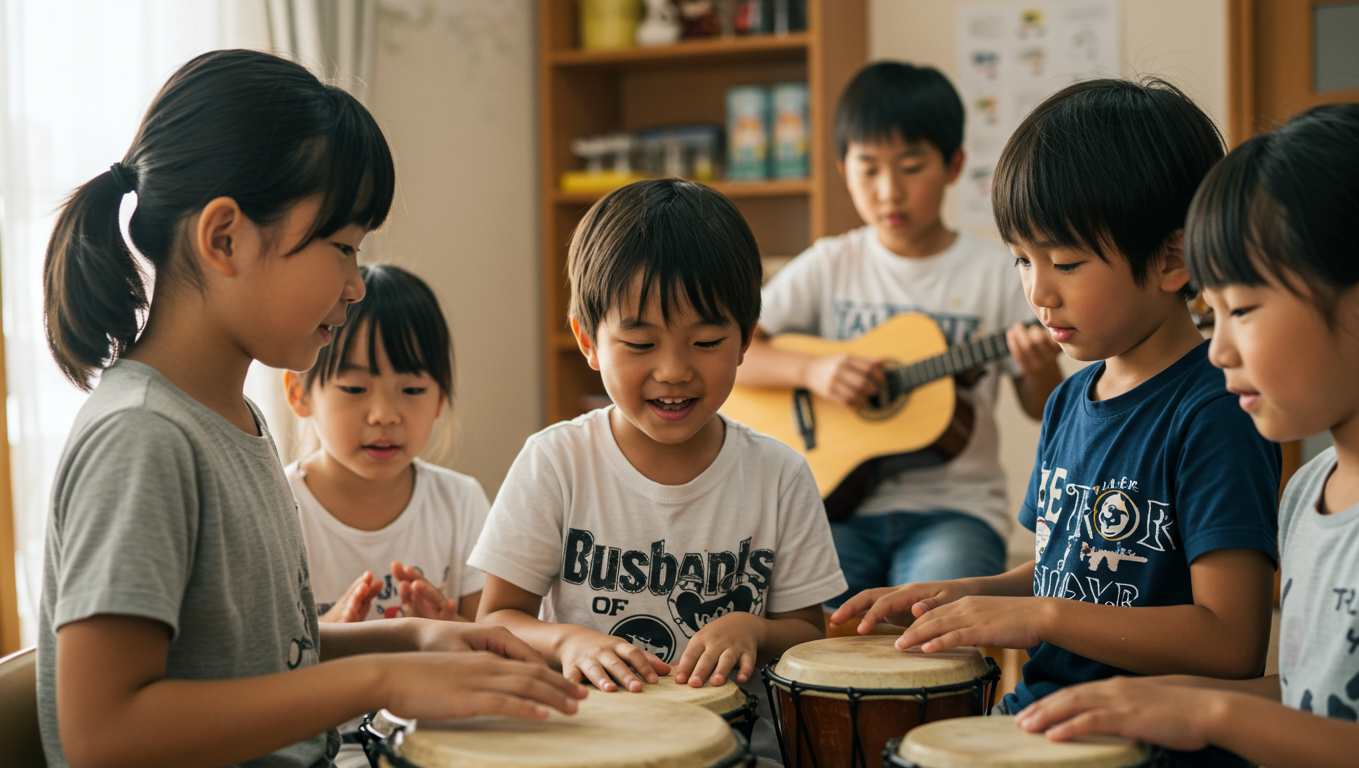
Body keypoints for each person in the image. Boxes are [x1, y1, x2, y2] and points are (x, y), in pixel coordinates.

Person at [38, 49, 583, 768]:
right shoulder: (142, 436)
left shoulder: (227, 419)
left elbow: (253, 658)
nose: (356, 285)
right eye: (343, 248)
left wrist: (413, 639)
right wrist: (383, 679)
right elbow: (105, 735)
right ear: (225, 238)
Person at [829, 78, 1283, 767]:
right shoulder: (1071, 401)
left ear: (1172, 259)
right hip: (1046, 716)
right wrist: (968, 593)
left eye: (1065, 262)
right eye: (1022, 259)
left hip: (1147, 745)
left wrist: (1040, 617)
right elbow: (1063, 570)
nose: (1038, 292)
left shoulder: (1217, 410)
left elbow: (1231, 641)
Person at [1010, 104, 1359, 767]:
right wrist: (1158, 699)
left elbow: (1234, 648)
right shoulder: (1309, 491)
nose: (1217, 351)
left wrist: (1210, 711)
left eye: (1242, 310)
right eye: (1212, 314)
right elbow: (1317, 699)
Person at [470, 178, 847, 749]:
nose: (673, 371)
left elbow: (806, 635)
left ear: (746, 341)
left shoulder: (780, 476)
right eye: (641, 344)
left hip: (735, 748)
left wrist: (752, 629)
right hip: (590, 744)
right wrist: (567, 641)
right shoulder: (555, 463)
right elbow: (497, 620)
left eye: (706, 342)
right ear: (588, 341)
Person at [734, 61, 1064, 607]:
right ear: (843, 169)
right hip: (837, 508)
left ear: (954, 165)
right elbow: (736, 353)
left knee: (933, 623)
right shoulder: (831, 263)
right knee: (794, 616)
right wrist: (813, 371)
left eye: (911, 168)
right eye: (868, 170)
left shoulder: (1001, 272)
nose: (889, 191)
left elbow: (1042, 408)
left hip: (956, 511)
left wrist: (1041, 367)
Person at [282, 263, 489, 766]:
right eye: (355, 389)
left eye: (412, 390)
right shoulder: (279, 504)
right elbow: (254, 670)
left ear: (440, 398)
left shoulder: (460, 501)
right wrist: (325, 637)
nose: (384, 415)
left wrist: (451, 628)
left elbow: (492, 643)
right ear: (299, 393)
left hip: (437, 742)